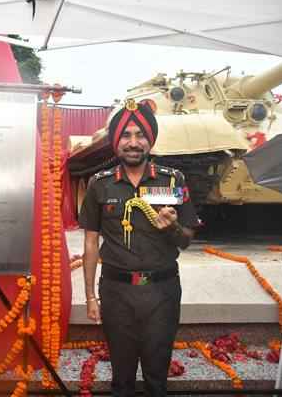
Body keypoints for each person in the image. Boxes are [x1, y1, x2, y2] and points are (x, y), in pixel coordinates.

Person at [79, 100, 198, 396]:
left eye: (140, 135)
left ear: (150, 141)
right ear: (116, 143)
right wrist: (91, 296)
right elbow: (91, 242)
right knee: (122, 378)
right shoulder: (100, 184)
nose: (133, 143)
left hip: (162, 291)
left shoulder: (173, 181)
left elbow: (186, 240)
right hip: (117, 293)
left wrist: (171, 227)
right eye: (126, 136)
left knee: (157, 378)